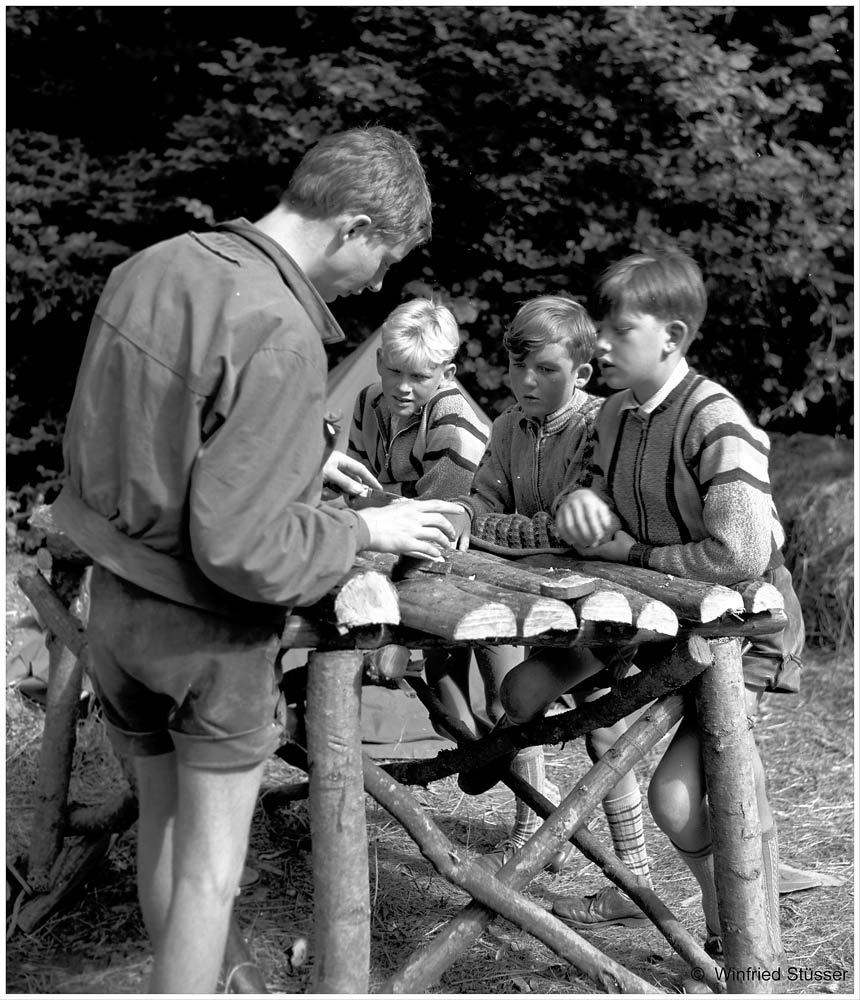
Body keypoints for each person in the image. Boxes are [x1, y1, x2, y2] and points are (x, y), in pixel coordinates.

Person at [50, 126, 463, 994]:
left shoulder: (152, 267)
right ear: (351, 226)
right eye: (382, 258)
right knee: (210, 877)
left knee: (162, 839)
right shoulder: (280, 330)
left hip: (116, 614)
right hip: (208, 636)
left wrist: (298, 461)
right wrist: (365, 533)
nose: (378, 284)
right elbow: (246, 552)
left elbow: (141, 436)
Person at [552, 251, 804, 980]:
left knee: (680, 793)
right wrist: (578, 506)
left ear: (672, 334)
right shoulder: (613, 413)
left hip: (745, 628)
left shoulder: (714, 417)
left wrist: (632, 550)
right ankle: (742, 926)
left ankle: (750, 951)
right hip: (672, 625)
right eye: (598, 324)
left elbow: (741, 554)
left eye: (617, 327)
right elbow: (586, 499)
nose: (599, 341)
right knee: (715, 790)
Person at [449, 296, 654, 909]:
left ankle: (629, 871)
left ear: (583, 374)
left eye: (545, 371)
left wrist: (509, 532)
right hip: (539, 601)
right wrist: (464, 514)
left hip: (605, 605)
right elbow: (487, 500)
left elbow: (570, 525)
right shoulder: (509, 426)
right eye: (517, 368)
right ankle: (542, 834)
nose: (527, 382)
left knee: (531, 700)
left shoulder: (601, 425)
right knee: (587, 716)